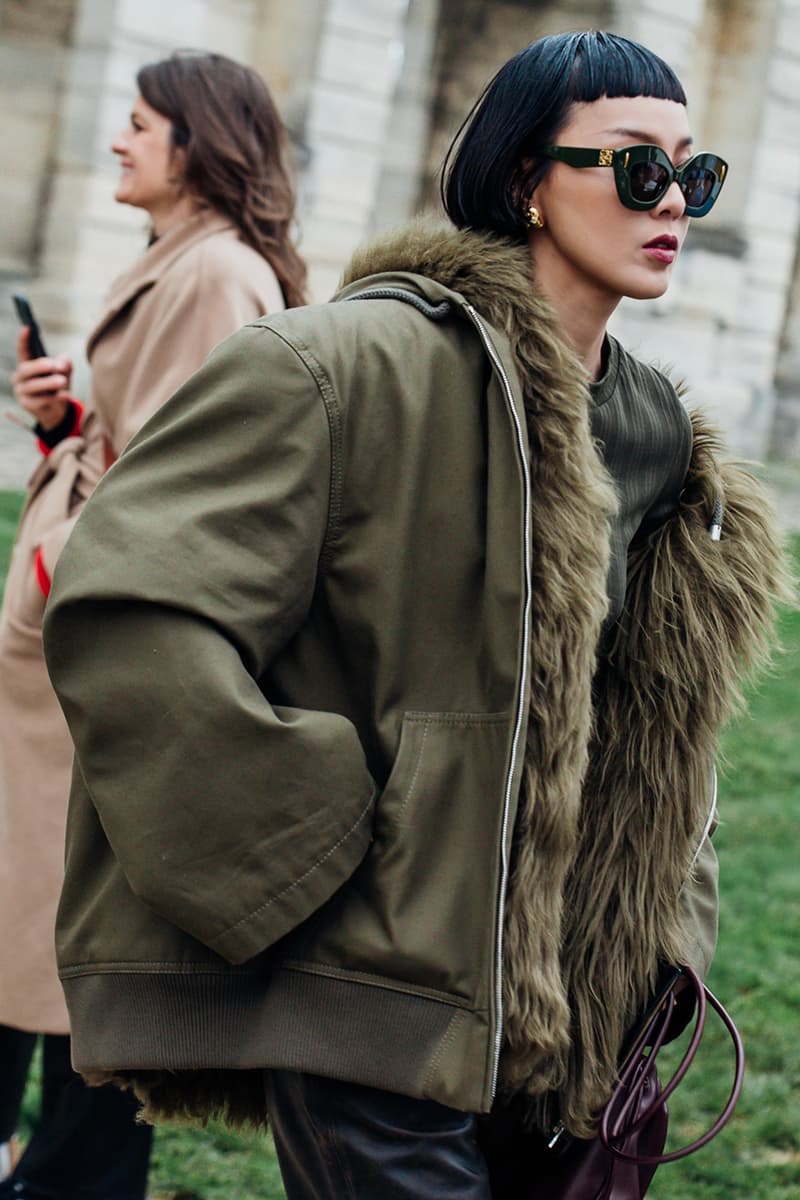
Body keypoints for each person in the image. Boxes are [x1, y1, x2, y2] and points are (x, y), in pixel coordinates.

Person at [42, 30, 788, 1200]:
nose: (675, 204)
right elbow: (131, 610)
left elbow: (639, 725)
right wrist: (310, 856)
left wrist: (659, 933)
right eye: (637, 167)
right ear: (521, 182)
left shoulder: (653, 444)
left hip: (565, 1024)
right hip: (370, 987)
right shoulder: (340, 366)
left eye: (694, 175)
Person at [0, 49, 305, 1200]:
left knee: (70, 938)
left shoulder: (217, 276)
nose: (117, 140)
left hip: (98, 651)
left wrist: (54, 559)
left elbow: (197, 494)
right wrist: (71, 413)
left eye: (138, 124)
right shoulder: (183, 260)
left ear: (198, 143)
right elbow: (148, 441)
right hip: (70, 644)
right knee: (38, 924)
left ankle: (70, 1174)